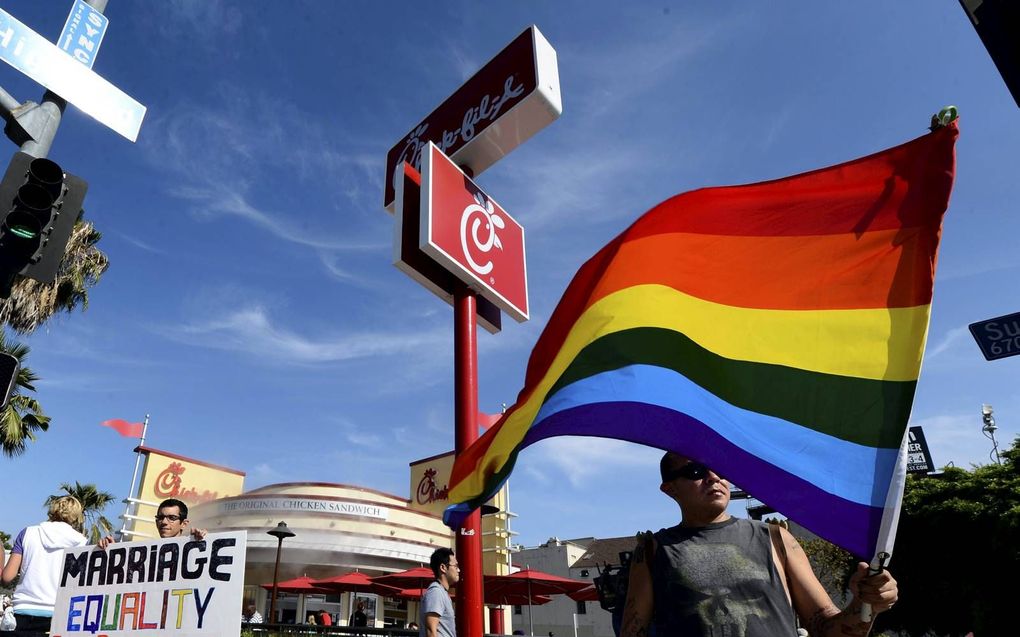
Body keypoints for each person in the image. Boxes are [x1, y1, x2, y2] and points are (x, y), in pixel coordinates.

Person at [621, 452, 899, 637]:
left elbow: (826, 628)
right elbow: (634, 631)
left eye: (719, 469)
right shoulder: (652, 550)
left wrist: (865, 604)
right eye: (695, 471)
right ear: (669, 489)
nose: (714, 477)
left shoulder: (776, 538)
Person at [1, 496, 89, 633]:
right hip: (57, 614)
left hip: (22, 611)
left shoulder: (27, 533)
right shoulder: (81, 543)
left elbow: (7, 577)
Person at [420, 547, 459, 637]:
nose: (458, 570)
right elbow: (431, 631)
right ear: (443, 567)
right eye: (456, 566)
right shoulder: (436, 592)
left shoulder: (442, 592)